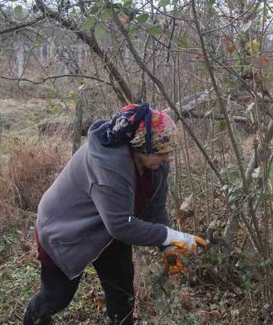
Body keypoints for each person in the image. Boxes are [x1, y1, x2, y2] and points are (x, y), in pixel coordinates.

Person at [24, 103, 206, 325]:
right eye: (162, 152)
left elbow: (155, 210)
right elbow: (120, 226)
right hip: (65, 228)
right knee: (57, 296)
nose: (168, 158)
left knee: (122, 294)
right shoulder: (108, 165)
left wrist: (167, 247)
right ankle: (34, 318)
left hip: (110, 228)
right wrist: (173, 236)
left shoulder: (156, 166)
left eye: (169, 152)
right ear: (143, 147)